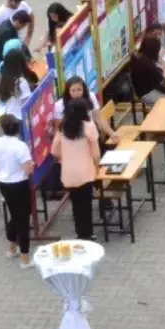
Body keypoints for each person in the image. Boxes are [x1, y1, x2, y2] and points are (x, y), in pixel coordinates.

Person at [0, 113, 35, 267]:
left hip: (4, 184)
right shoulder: (20, 146)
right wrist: (31, 164)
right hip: (19, 185)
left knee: (15, 215)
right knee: (23, 220)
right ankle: (25, 258)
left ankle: (11, 247)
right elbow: (28, 170)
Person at [52, 99, 100, 240]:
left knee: (75, 204)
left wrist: (64, 156)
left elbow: (54, 150)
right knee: (86, 204)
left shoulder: (62, 128)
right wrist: (97, 166)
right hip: (86, 171)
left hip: (68, 173)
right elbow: (95, 154)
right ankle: (87, 233)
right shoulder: (89, 127)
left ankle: (80, 233)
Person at [130, 35, 165, 106]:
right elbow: (162, 83)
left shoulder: (141, 57)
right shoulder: (147, 64)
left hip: (144, 90)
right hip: (147, 94)